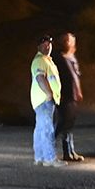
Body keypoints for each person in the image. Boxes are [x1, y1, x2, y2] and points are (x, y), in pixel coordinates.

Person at [30, 35, 62, 167]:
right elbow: (40, 77)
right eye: (44, 44)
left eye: (49, 44)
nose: (48, 46)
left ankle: (40, 157)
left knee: (40, 128)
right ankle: (50, 158)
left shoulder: (47, 60)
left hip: (43, 100)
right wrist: (49, 93)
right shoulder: (40, 60)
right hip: (44, 100)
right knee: (47, 128)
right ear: (39, 47)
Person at [56, 32, 85, 162]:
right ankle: (49, 146)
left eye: (71, 40)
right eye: (67, 40)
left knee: (69, 124)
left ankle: (70, 151)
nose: (70, 43)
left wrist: (78, 91)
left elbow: (76, 77)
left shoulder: (72, 58)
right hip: (65, 96)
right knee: (64, 124)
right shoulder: (59, 59)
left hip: (73, 95)